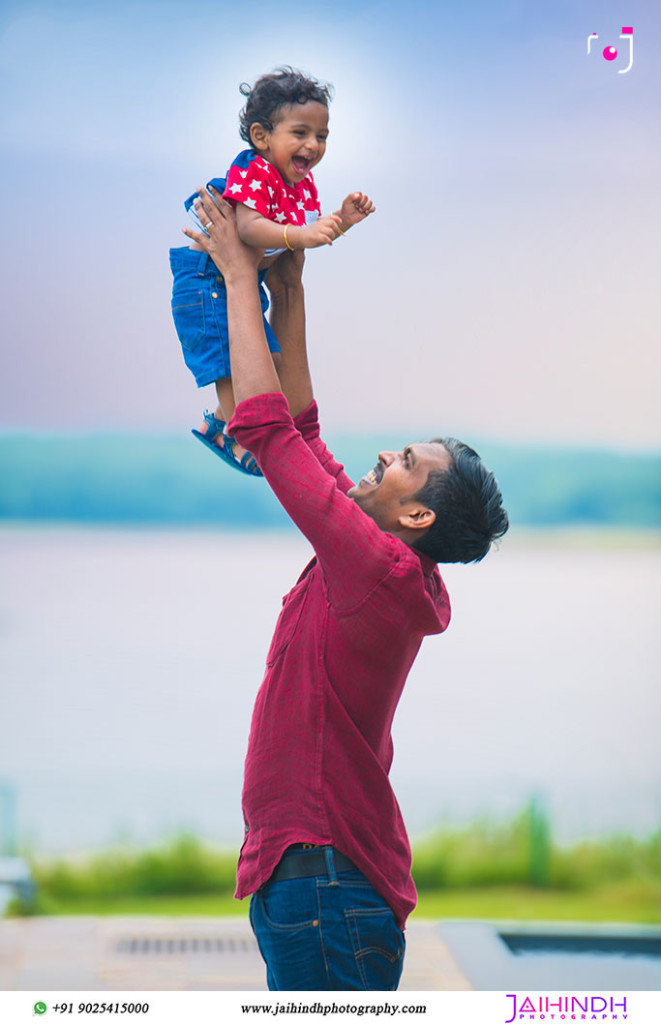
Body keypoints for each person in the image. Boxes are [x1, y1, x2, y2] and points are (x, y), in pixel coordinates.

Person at [183, 188, 509, 991]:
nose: (383, 458)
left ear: (418, 512)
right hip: (313, 876)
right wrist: (288, 291)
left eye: (403, 461)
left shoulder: (377, 568)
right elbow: (303, 431)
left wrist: (234, 277)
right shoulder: (378, 558)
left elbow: (266, 430)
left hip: (327, 880)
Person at [169, 67, 374, 476]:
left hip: (238, 287)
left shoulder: (300, 184)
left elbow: (309, 230)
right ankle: (230, 429)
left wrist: (343, 221)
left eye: (322, 136)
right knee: (235, 371)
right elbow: (248, 227)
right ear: (262, 137)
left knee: (273, 366)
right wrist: (298, 235)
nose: (312, 145)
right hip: (207, 285)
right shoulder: (253, 169)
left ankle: (220, 426)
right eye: (300, 133)